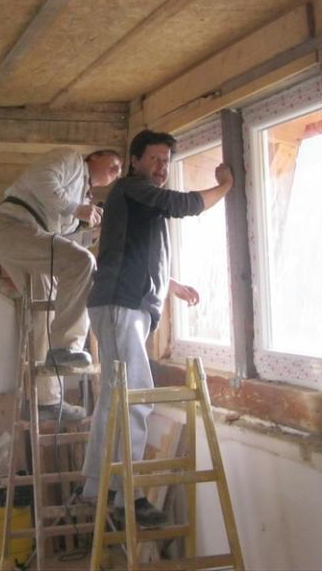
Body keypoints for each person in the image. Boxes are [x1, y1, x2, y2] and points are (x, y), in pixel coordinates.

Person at [80, 130, 233, 526]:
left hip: (121, 303)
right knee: (135, 397)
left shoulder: (140, 202)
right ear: (134, 162)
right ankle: (127, 497)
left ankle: (98, 489)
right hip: (121, 305)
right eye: (154, 159)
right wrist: (225, 186)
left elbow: (137, 253)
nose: (161, 167)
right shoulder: (133, 188)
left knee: (115, 399)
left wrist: (170, 284)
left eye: (166, 161)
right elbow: (184, 204)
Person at [0, 147, 123, 422]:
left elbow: (63, 242)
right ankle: (67, 347)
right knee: (83, 263)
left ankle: (44, 402)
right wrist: (77, 209)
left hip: (30, 236)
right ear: (94, 157)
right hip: (14, 227)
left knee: (44, 317)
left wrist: (92, 235)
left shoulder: (83, 196)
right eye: (114, 163)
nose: (116, 171)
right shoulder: (71, 160)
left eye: (119, 170)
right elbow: (41, 178)